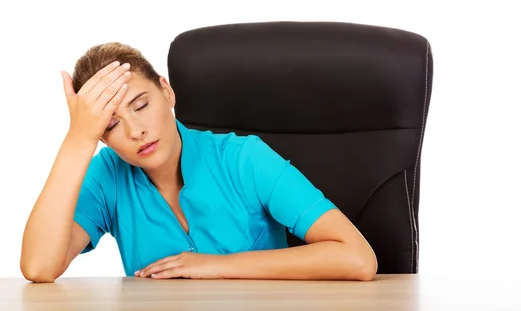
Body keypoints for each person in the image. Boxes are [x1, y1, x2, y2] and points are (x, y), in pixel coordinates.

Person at [20, 42, 378, 283]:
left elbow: (358, 258)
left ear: (167, 90)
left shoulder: (244, 159)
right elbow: (39, 267)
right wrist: (78, 139)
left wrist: (216, 266)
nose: (136, 131)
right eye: (110, 124)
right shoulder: (108, 174)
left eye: (141, 105)